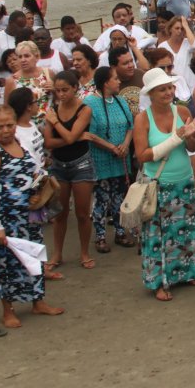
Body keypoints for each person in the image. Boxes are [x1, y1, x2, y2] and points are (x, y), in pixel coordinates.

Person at [0, 105, 64, 328]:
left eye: (9, 125)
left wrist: (39, 186)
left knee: (34, 259)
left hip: (29, 216)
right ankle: (8, 310)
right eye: (0, 126)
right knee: (6, 265)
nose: (5, 130)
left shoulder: (21, 143)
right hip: (6, 218)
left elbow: (35, 169)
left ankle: (38, 301)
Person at [132, 67, 195, 301]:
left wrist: (189, 136)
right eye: (161, 89)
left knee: (186, 232)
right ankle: (159, 282)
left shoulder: (182, 110)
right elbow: (143, 155)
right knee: (160, 236)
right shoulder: (142, 119)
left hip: (183, 182)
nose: (168, 92)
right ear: (151, 94)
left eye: (169, 87)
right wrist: (176, 137)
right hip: (159, 185)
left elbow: (190, 147)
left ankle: (190, 272)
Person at [42, 71, 96, 272]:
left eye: (65, 90)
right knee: (59, 213)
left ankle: (84, 252)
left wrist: (56, 123)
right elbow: (49, 142)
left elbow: (70, 138)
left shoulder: (84, 109)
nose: (61, 94)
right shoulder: (53, 109)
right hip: (59, 164)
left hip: (81, 163)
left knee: (82, 213)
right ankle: (57, 253)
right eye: (57, 91)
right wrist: (73, 136)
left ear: (75, 88)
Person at [83, 65, 134, 251]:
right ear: (106, 82)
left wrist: (125, 145)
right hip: (101, 159)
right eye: (115, 78)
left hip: (121, 158)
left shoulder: (120, 101)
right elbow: (91, 134)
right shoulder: (90, 103)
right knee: (102, 198)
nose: (119, 81)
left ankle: (120, 232)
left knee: (119, 197)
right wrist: (111, 147)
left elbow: (131, 125)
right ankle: (100, 236)